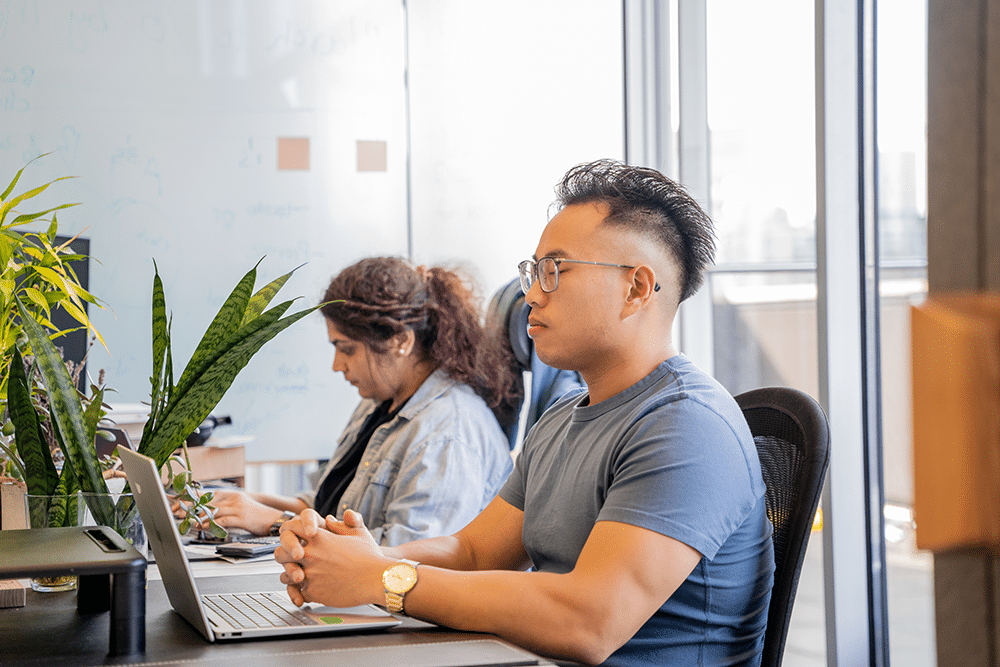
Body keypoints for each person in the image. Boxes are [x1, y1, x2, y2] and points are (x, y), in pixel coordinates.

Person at [274, 160, 775, 666]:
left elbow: (588, 621)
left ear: (637, 289)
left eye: (555, 271)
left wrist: (382, 580)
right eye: (534, 271)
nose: (532, 294)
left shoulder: (687, 425)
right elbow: (474, 554)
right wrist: (362, 557)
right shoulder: (560, 418)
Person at [203, 257, 521, 546]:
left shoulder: (448, 432)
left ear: (400, 342)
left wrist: (275, 523)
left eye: (347, 349)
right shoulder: (378, 402)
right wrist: (241, 502)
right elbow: (330, 506)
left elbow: (409, 553)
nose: (337, 365)